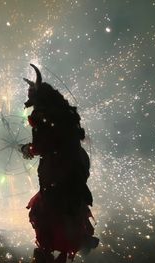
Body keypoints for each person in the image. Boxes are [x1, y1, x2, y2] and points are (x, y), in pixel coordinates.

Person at [21, 64, 99, 263]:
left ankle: (52, 253)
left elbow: (41, 146)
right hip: (76, 165)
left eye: (31, 95)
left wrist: (27, 150)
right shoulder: (64, 113)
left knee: (50, 211)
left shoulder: (41, 115)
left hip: (57, 170)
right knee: (71, 205)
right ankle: (75, 243)